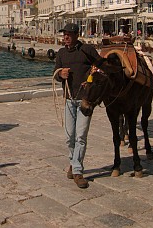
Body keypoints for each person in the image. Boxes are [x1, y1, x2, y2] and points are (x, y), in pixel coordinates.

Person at [53, 22, 106, 189]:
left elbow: (101, 66)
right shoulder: (61, 53)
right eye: (64, 34)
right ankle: (73, 161)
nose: (66, 37)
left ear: (77, 35)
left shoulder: (87, 50)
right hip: (69, 99)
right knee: (69, 136)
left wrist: (94, 72)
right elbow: (55, 74)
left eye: (69, 34)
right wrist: (60, 75)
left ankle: (77, 170)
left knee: (80, 136)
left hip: (85, 100)